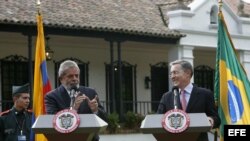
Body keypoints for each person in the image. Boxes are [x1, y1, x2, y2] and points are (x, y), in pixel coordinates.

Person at [157, 60, 220, 141]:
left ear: (187, 73)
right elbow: (158, 119)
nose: (172, 76)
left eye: (175, 72)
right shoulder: (167, 97)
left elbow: (217, 119)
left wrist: (211, 120)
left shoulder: (205, 94)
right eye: (171, 74)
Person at [45, 60, 107, 141]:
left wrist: (95, 110)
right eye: (70, 76)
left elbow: (105, 120)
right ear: (61, 78)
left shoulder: (90, 93)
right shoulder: (52, 96)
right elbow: (53, 120)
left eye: (76, 76)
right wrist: (73, 110)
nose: (74, 79)